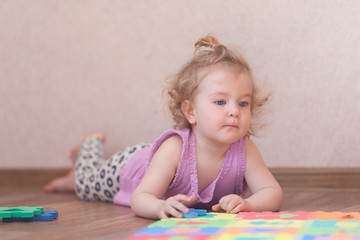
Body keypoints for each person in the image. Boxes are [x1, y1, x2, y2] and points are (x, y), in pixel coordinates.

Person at [44, 34, 283, 219]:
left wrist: (249, 204)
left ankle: (73, 177)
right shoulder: (174, 148)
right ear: (191, 111)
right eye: (220, 101)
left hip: (154, 160)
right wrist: (160, 206)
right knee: (86, 185)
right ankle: (89, 146)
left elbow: (272, 192)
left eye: (243, 103)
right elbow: (141, 199)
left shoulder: (244, 148)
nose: (234, 111)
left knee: (81, 181)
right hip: (126, 169)